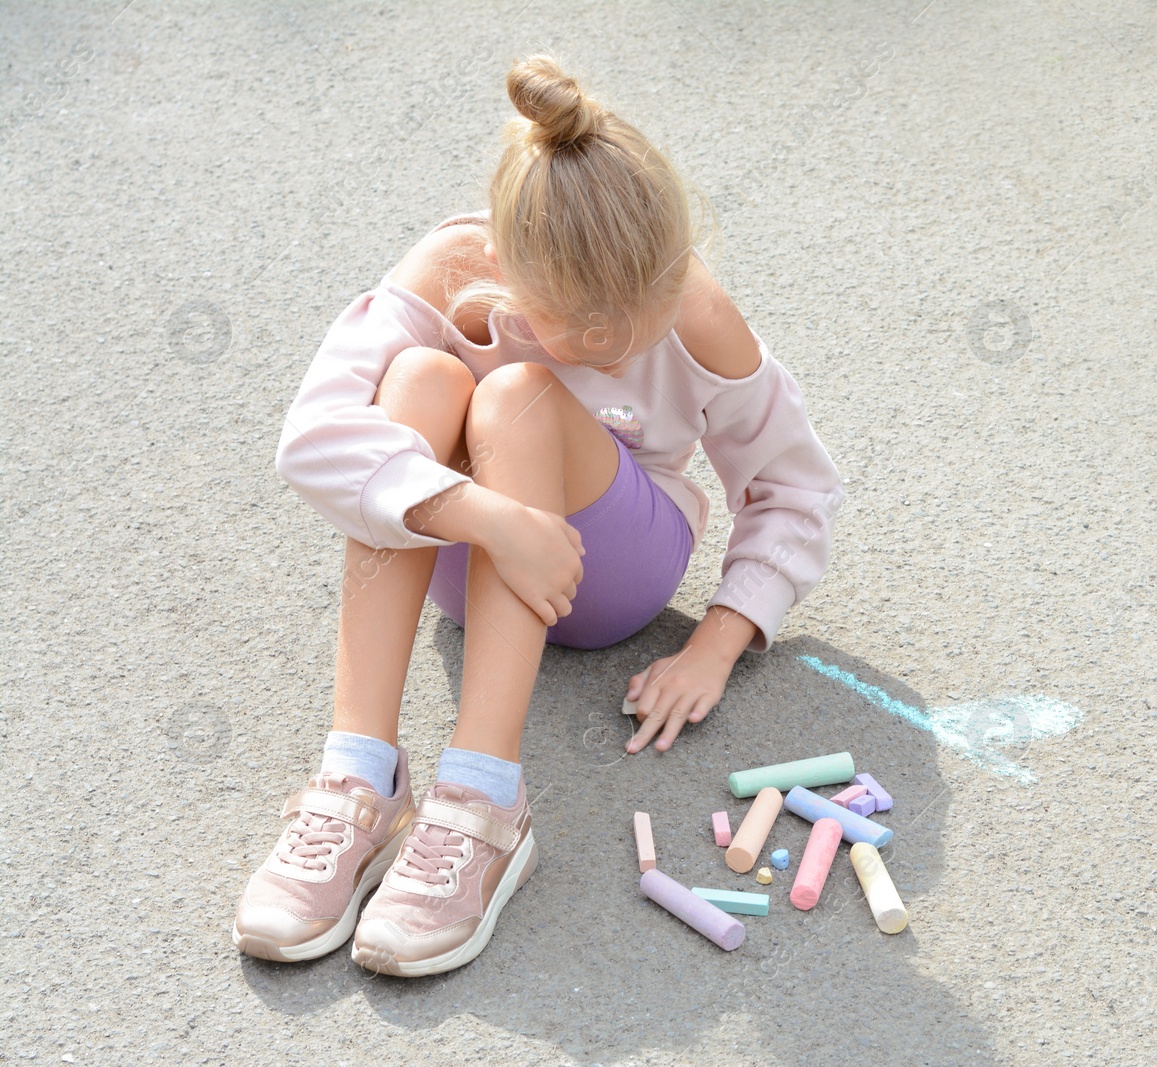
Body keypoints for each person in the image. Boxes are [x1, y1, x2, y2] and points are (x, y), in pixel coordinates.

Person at [231, 55, 844, 977]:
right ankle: (355, 778)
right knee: (419, 379)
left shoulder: (692, 303)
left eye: (632, 323)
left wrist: (718, 638)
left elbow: (794, 484)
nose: (613, 347)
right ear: (511, 272)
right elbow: (310, 439)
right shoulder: (452, 266)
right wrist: (487, 512)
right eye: (580, 328)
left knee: (517, 392)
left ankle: (485, 802)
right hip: (470, 553)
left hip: (608, 567)